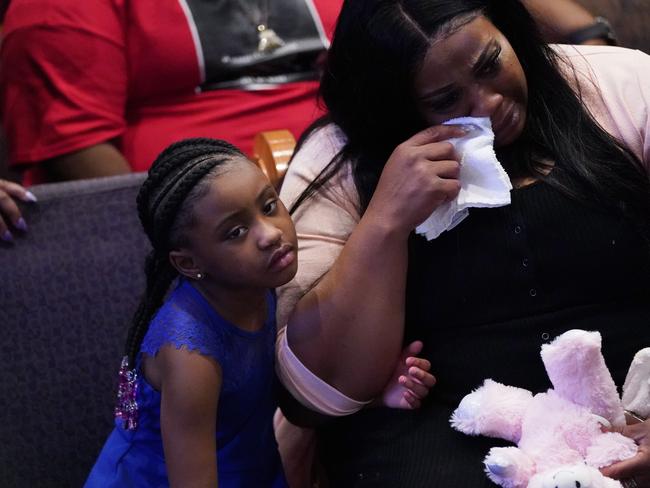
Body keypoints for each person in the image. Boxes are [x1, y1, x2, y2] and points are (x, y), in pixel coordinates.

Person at [275, 0, 650, 487]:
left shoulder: (612, 86)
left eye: (491, 64)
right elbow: (316, 395)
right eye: (446, 100)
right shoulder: (341, 158)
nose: (488, 102)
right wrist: (385, 221)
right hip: (446, 427)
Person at [83, 137, 435, 487]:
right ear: (189, 263)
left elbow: (271, 390)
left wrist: (372, 396)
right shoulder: (189, 356)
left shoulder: (256, 284)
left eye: (268, 207)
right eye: (236, 232)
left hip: (252, 468)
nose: (269, 234)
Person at [0, 0, 617, 186]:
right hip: (228, 218)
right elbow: (78, 150)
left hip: (396, 161)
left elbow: (452, 10)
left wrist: (586, 38)